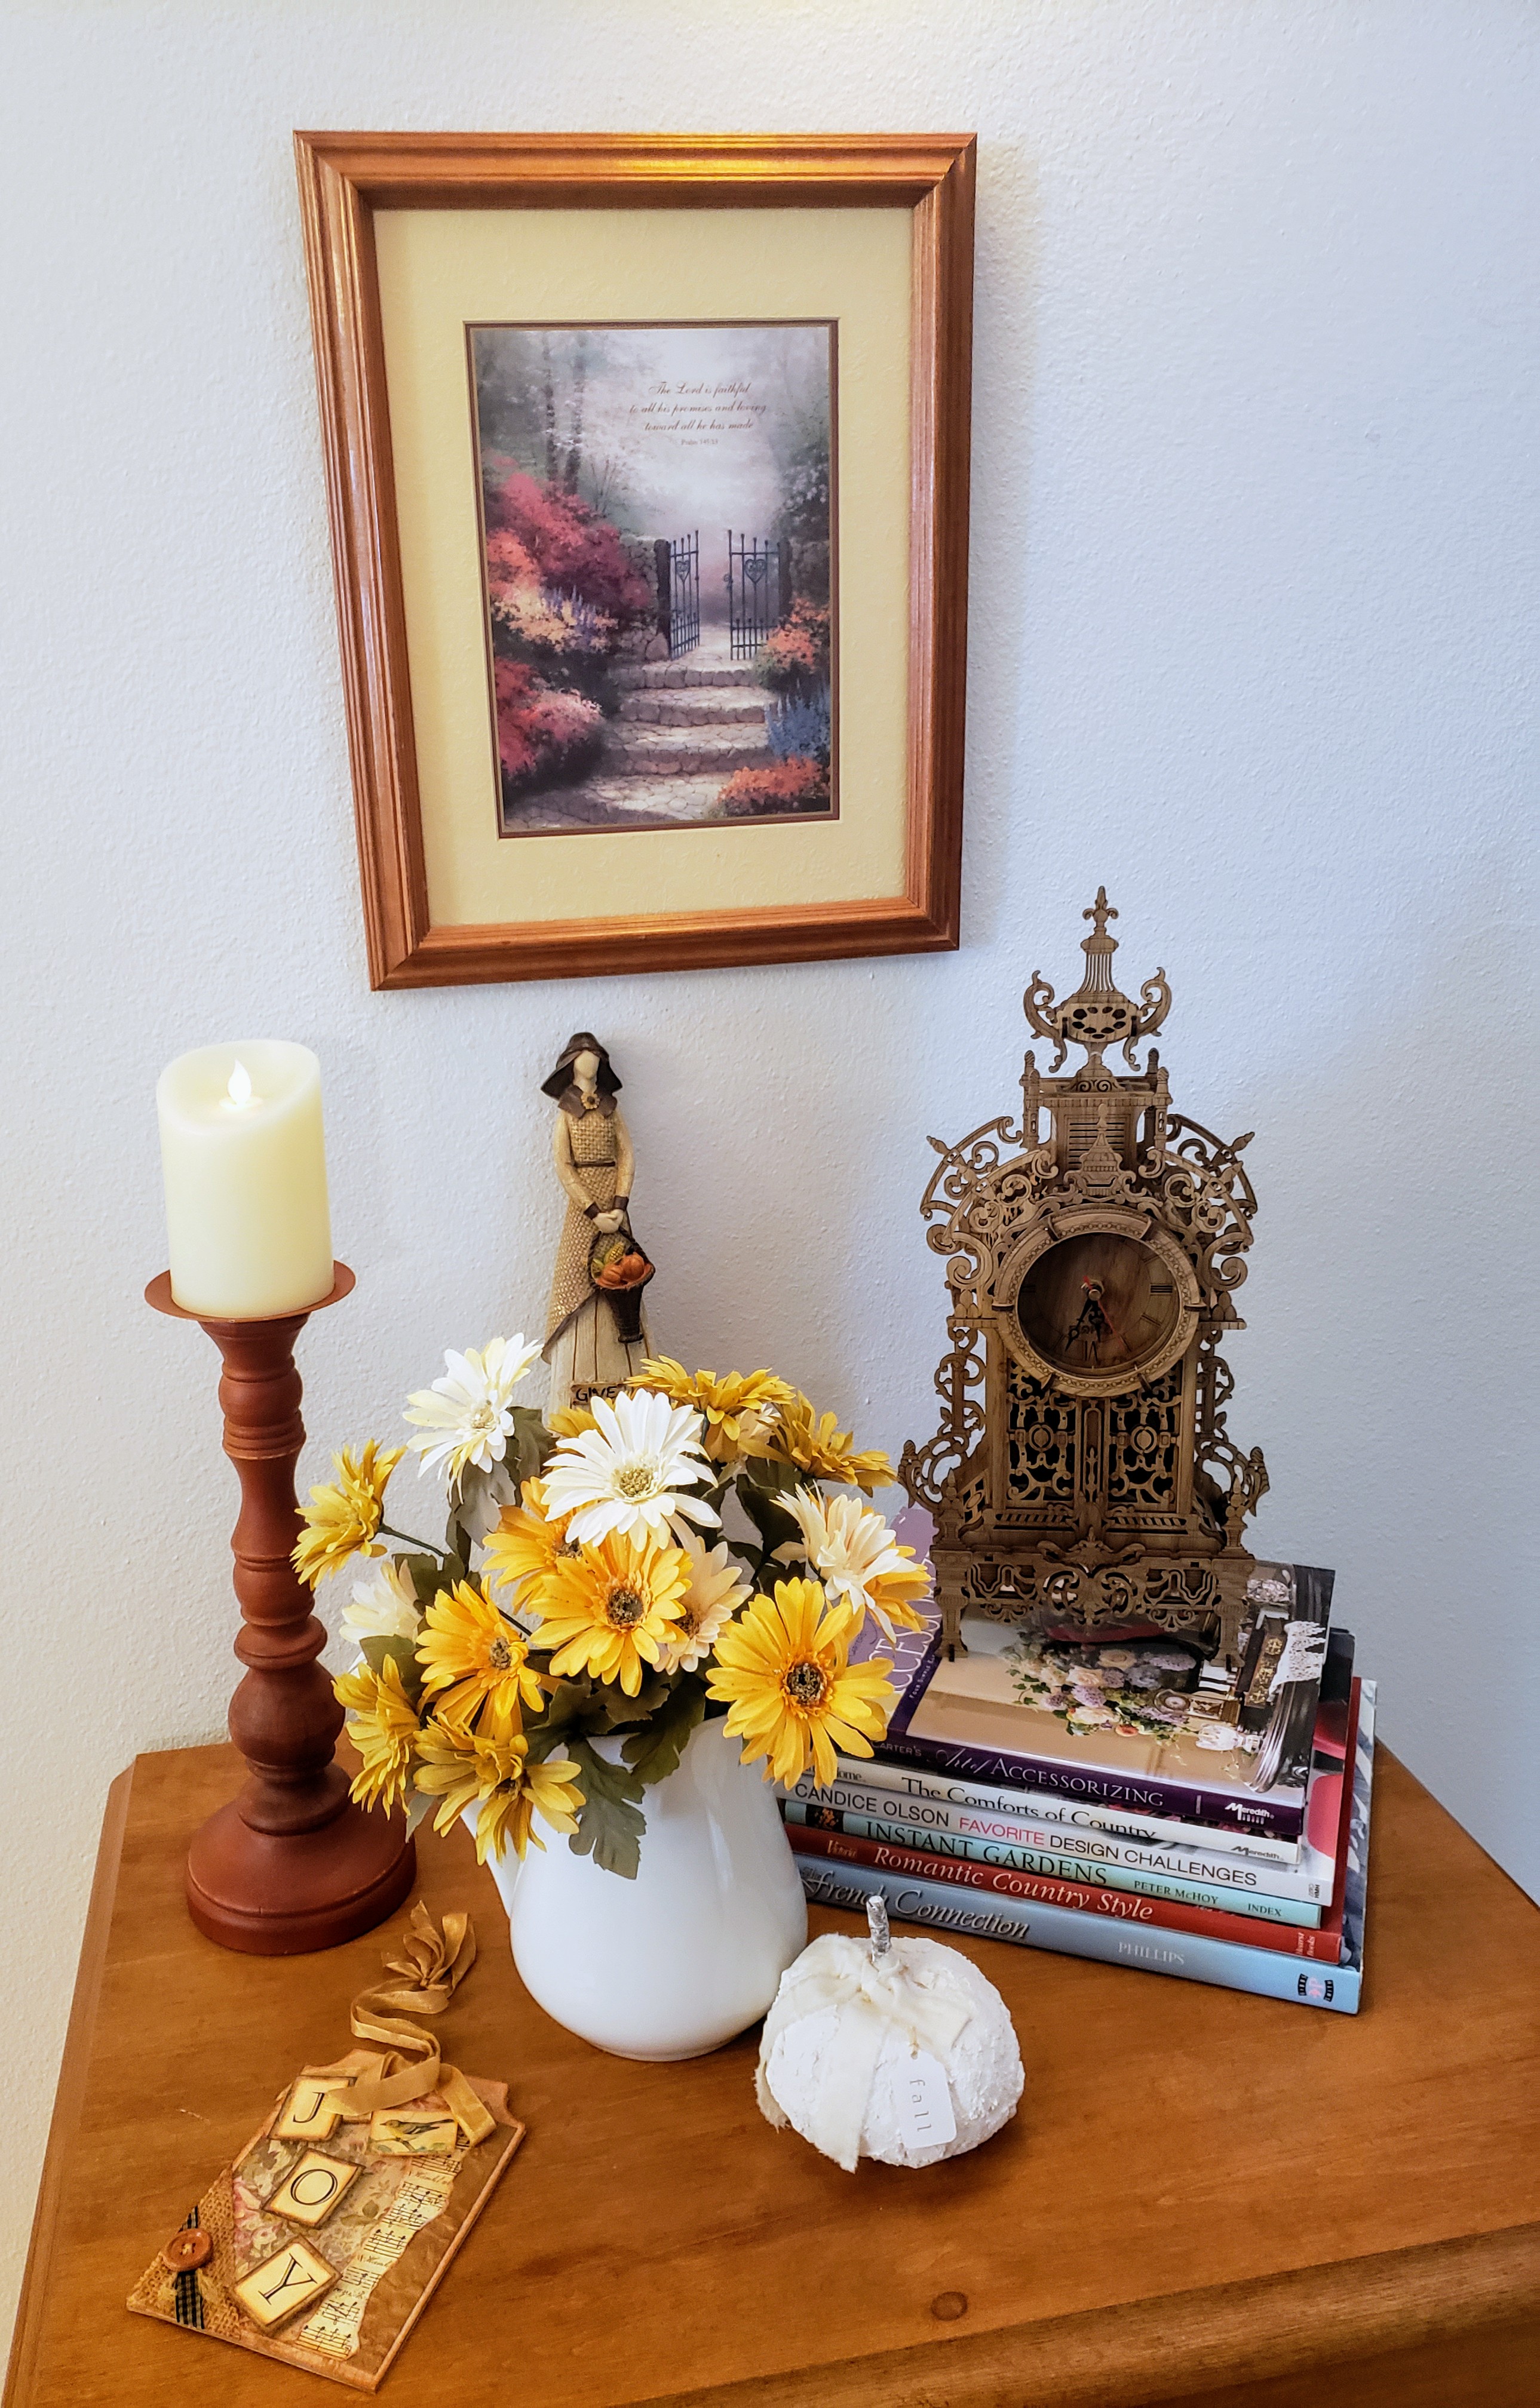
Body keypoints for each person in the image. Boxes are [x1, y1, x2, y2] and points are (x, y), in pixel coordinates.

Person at [541, 1033, 651, 1412]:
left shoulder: (611, 1109)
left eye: (595, 1056)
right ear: (571, 1064)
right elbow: (564, 1165)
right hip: (583, 1209)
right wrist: (591, 1210)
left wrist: (620, 1205)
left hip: (615, 1209)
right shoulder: (566, 1113)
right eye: (584, 1055)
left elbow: (627, 1155)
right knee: (578, 1275)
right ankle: (579, 1369)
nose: (590, 1062)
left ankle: (628, 1363)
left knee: (627, 1271)